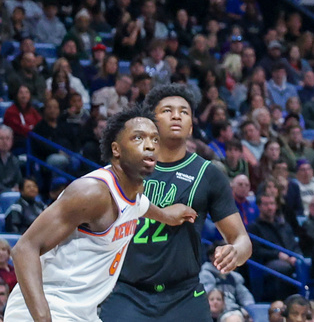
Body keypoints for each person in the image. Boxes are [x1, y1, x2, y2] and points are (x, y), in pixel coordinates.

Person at [5, 106, 197, 322]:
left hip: (82, 314)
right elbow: (24, 249)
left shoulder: (134, 191)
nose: (150, 145)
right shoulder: (91, 192)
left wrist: (167, 215)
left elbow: (139, 206)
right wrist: (43, 319)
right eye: (138, 138)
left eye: (154, 139)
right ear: (116, 149)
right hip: (45, 309)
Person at [100, 84, 252, 322]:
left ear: (191, 126)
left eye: (184, 112)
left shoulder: (208, 174)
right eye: (167, 110)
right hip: (127, 292)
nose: (176, 115)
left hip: (184, 295)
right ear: (151, 122)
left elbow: (242, 240)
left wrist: (235, 252)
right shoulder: (124, 169)